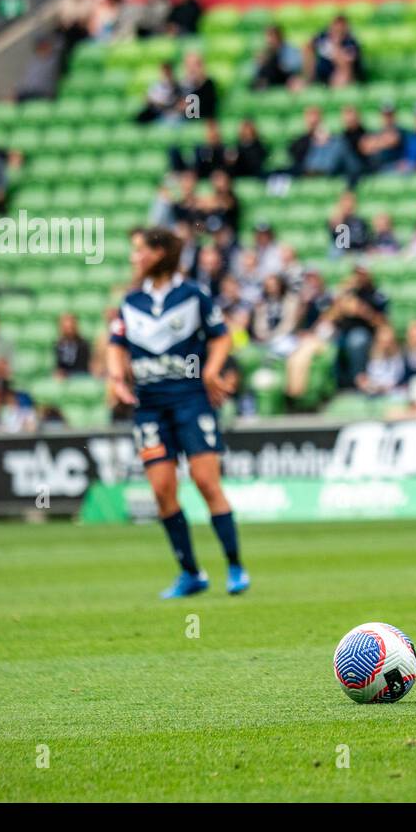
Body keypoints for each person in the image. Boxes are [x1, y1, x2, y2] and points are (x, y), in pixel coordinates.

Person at [107, 227, 250, 598]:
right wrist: (116, 377)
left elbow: (221, 335)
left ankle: (234, 565)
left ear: (159, 253)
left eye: (139, 250)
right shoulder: (131, 301)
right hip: (149, 406)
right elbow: (115, 344)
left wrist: (213, 368)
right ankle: (191, 573)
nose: (134, 257)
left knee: (205, 482)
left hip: (190, 400)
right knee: (162, 490)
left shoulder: (193, 295)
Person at [251, 25, 305, 90]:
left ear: (279, 37)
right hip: (271, 79)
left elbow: (293, 68)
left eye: (271, 36)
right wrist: (260, 63)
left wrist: (282, 64)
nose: (269, 40)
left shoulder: (289, 50)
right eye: (267, 37)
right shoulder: (266, 53)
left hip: (285, 77)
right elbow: (256, 72)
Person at [55, 312, 93, 378]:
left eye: (71, 327)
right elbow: (59, 365)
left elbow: (85, 365)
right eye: (66, 327)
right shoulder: (59, 345)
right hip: (65, 376)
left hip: (80, 375)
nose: (69, 330)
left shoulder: (83, 344)